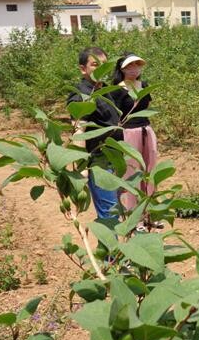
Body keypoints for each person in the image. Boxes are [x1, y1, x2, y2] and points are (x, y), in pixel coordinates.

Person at [67, 47, 122, 220]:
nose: (101, 69)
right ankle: (109, 247)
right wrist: (82, 169)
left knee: (116, 210)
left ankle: (112, 246)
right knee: (109, 214)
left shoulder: (103, 90)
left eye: (104, 65)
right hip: (99, 163)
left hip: (113, 159)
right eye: (95, 65)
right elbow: (79, 131)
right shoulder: (81, 95)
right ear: (83, 69)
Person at [111, 53, 160, 230]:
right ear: (122, 69)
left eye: (137, 65)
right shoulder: (116, 89)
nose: (134, 69)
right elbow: (115, 114)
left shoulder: (144, 86)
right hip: (129, 133)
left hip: (146, 130)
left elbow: (146, 108)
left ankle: (150, 214)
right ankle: (134, 218)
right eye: (130, 66)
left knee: (150, 170)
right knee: (132, 173)